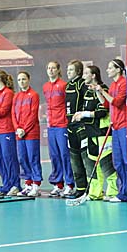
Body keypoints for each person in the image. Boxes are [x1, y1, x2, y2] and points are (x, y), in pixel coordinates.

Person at [95, 59, 127, 203]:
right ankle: (123, 192)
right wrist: (99, 92)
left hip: (125, 126)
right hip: (115, 128)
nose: (107, 70)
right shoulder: (112, 85)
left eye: (110, 67)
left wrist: (102, 91)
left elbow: (117, 102)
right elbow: (106, 104)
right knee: (118, 162)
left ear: (118, 69)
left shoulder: (124, 83)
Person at [76, 65, 118, 201]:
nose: (83, 76)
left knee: (106, 164)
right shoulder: (87, 92)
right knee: (92, 164)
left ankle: (113, 192)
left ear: (93, 75)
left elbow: (102, 112)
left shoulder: (103, 89)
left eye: (86, 73)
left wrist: (85, 114)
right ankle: (95, 193)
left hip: (102, 132)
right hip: (90, 133)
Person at [43, 61, 74, 196]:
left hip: (62, 125)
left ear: (58, 70)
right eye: (49, 68)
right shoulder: (45, 87)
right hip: (51, 126)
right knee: (54, 155)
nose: (51, 70)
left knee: (64, 155)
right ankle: (58, 184)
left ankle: (70, 184)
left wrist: (66, 121)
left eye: (53, 68)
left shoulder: (63, 85)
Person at [12, 71, 43, 197]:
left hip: (31, 133)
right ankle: (28, 184)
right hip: (19, 134)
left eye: (24, 79)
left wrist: (24, 129)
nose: (21, 82)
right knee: (22, 158)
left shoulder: (34, 95)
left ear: (28, 80)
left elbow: (33, 114)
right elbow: (13, 114)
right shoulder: (16, 96)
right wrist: (17, 128)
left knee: (33, 158)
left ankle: (36, 185)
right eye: (19, 80)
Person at [65, 59, 90, 199]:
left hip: (81, 127)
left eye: (71, 70)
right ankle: (80, 188)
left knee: (85, 158)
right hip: (70, 127)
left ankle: (91, 188)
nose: (68, 72)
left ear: (78, 71)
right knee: (74, 159)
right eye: (67, 70)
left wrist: (82, 117)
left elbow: (87, 103)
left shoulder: (82, 84)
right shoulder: (68, 85)